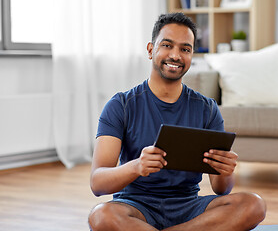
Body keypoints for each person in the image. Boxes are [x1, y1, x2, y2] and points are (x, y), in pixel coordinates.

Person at [88, 12, 266, 231]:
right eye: (167, 45)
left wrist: (227, 171)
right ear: (151, 50)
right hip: (135, 208)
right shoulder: (121, 105)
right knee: (101, 216)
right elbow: (97, 183)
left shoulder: (207, 108)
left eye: (185, 49)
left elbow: (222, 190)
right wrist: (136, 166)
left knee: (253, 204)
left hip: (189, 208)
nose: (176, 55)